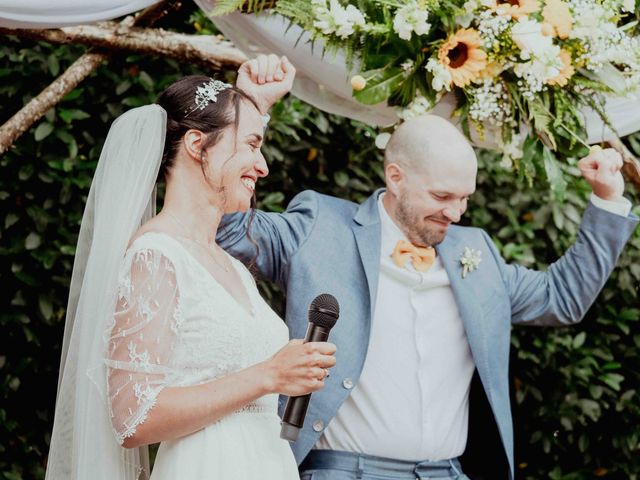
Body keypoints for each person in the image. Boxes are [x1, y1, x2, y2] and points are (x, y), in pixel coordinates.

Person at [219, 55, 639, 480]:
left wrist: (606, 199)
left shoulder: (475, 252)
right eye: (442, 196)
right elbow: (230, 232)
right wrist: (253, 109)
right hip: (343, 471)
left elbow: (561, 299)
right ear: (396, 177)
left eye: (465, 198)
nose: (456, 213)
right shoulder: (319, 226)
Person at [45, 58, 337, 480]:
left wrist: (254, 104)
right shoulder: (156, 255)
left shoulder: (229, 264)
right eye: (252, 146)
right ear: (197, 145)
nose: (263, 166)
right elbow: (133, 419)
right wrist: (269, 374)